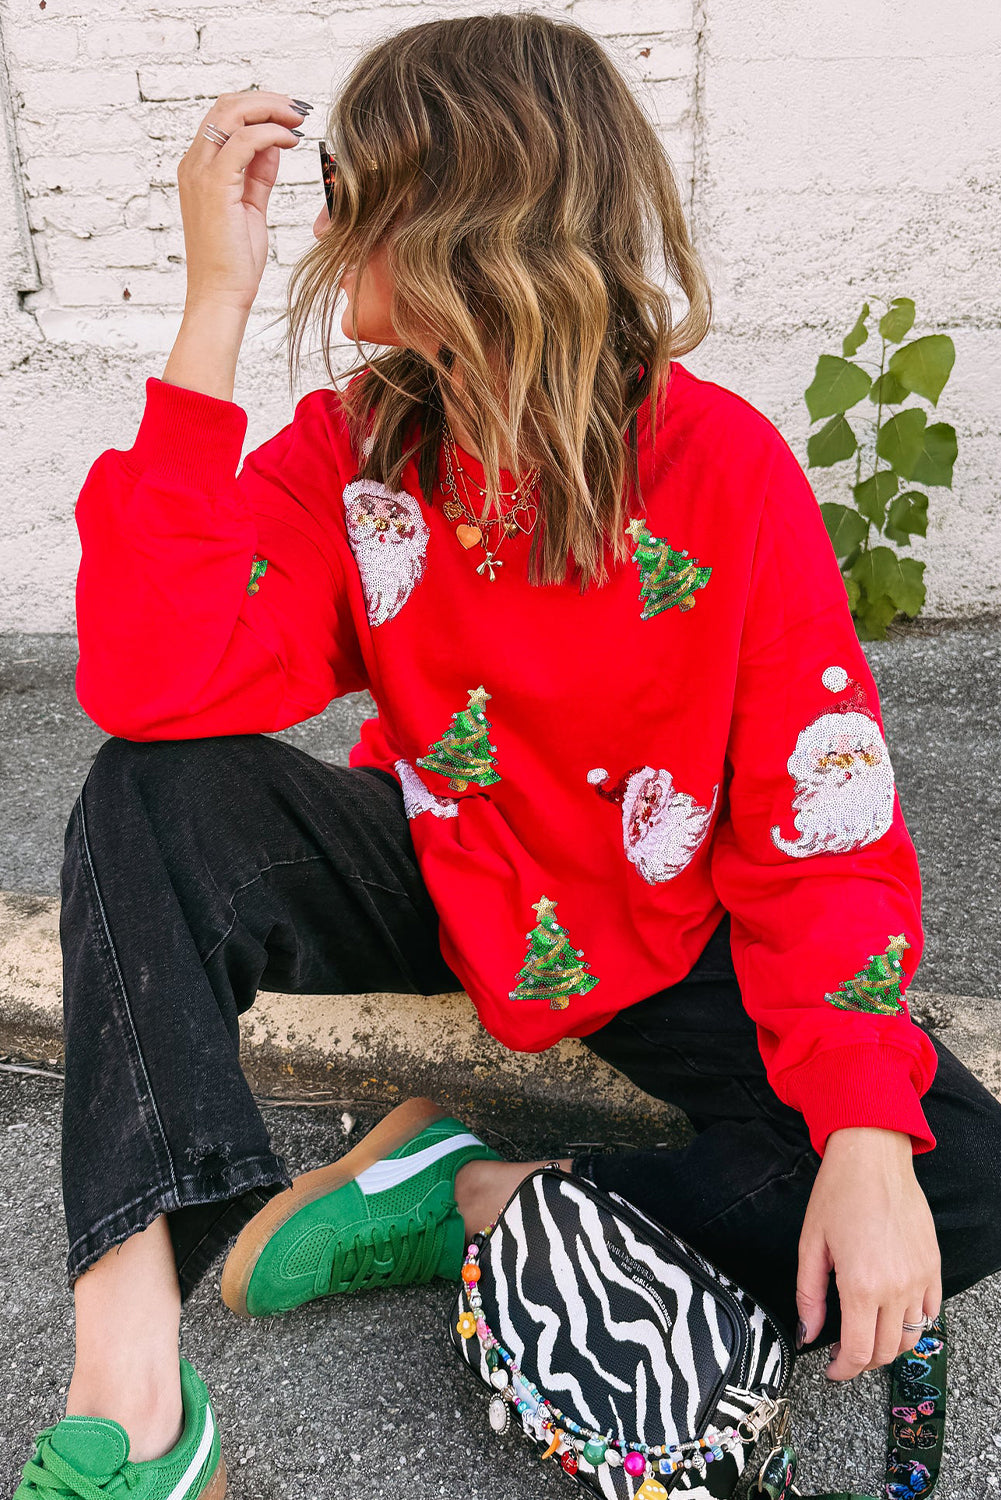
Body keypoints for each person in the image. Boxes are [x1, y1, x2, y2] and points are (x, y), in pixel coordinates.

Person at [13, 11, 1001, 1498]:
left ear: (468, 224)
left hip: (664, 927)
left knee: (958, 1176)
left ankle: (473, 1191)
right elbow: (156, 684)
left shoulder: (721, 471)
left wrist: (862, 1127)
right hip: (447, 863)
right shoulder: (355, 451)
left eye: (356, 193)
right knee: (151, 793)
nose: (326, 227)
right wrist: (212, 310)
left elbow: (823, 822)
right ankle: (132, 1387)